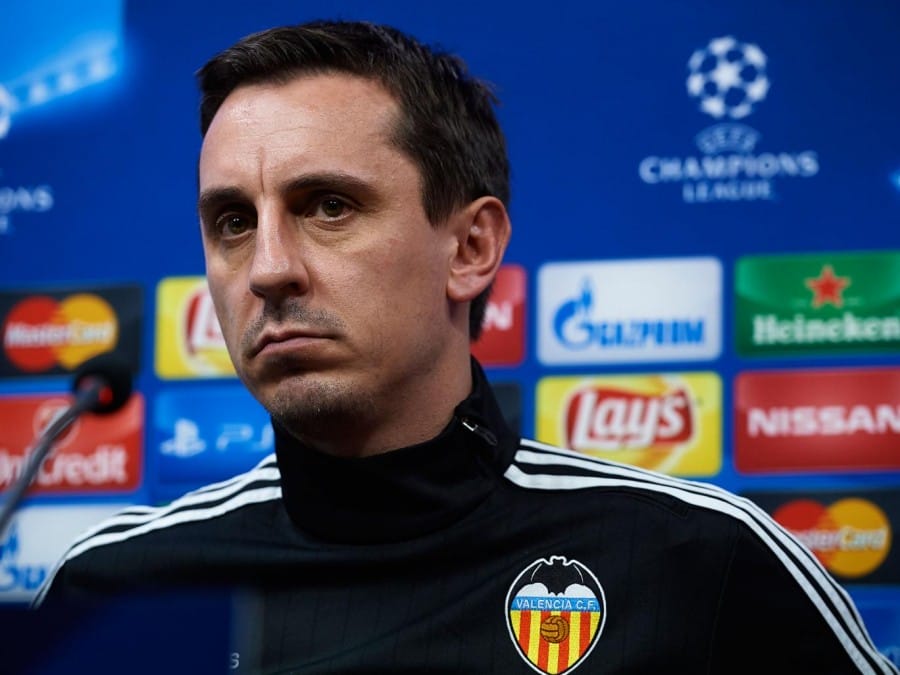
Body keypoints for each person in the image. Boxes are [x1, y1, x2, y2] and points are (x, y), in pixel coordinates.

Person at [33, 19, 897, 675]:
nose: (267, 269)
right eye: (232, 221)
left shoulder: (703, 558)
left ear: (472, 247)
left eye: (328, 206)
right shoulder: (112, 588)